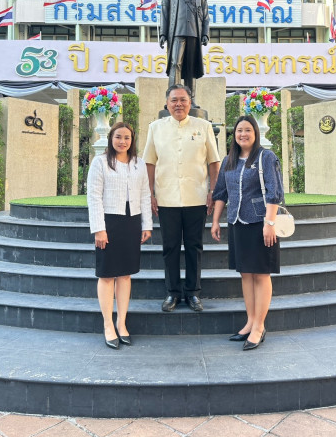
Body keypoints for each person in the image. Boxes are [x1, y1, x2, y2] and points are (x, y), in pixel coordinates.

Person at [143, 84, 220, 312]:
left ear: (190, 102)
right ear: (167, 103)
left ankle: (193, 293)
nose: (179, 104)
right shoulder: (155, 128)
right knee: (170, 247)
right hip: (166, 198)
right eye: (174, 100)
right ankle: (173, 293)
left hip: (197, 197)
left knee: (195, 246)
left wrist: (213, 191)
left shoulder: (204, 127)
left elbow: (214, 162)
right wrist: (150, 194)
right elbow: (149, 163)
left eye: (183, 100)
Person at [211, 115, 284, 351]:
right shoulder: (228, 160)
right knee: (245, 274)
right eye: (239, 130)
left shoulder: (266, 157)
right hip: (237, 222)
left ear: (255, 133)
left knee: (261, 274)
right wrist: (216, 221)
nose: (243, 134)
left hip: (261, 223)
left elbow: (274, 192)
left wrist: (269, 223)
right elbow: (220, 192)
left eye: (248, 130)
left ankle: (259, 327)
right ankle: (250, 321)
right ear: (234, 135)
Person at [87, 122, 152, 349]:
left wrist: (147, 225)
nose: (122, 141)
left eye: (127, 137)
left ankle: (121, 323)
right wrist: (99, 228)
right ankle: (108, 325)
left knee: (125, 275)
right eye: (118, 137)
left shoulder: (138, 163)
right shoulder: (100, 162)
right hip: (109, 222)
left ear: (132, 140)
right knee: (106, 275)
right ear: (111, 138)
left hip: (131, 221)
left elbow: (145, 195)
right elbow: (93, 196)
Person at [159, 0, 209, 107]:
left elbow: (205, 17)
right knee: (175, 64)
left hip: (194, 34)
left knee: (190, 68)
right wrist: (163, 34)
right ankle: (172, 99)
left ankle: (191, 100)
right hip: (177, 33)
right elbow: (164, 14)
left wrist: (205, 34)